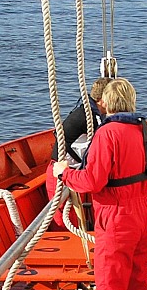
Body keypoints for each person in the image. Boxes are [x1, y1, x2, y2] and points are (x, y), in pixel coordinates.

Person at [52, 77, 147, 290]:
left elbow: (92, 180)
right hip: (144, 212)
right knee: (137, 284)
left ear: (106, 104)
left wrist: (63, 173)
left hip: (116, 216)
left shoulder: (106, 135)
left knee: (111, 289)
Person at [45, 77, 111, 228]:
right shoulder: (89, 118)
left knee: (74, 220)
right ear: (103, 100)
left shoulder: (94, 114)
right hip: (60, 173)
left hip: (74, 173)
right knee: (63, 223)